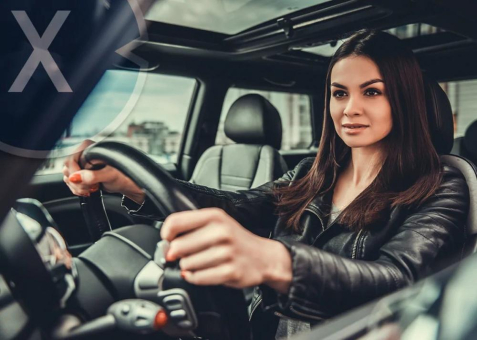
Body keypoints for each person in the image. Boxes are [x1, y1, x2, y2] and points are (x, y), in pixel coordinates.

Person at [62, 29, 469, 340]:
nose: (350, 109)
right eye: (339, 93)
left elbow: (398, 281)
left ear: (404, 99)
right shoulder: (315, 171)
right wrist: (133, 184)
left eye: (372, 92)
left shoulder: (441, 183)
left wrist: (277, 261)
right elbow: (237, 206)